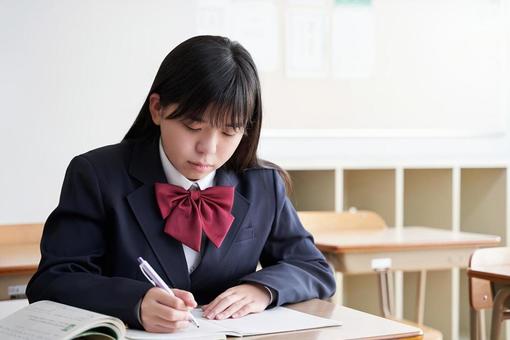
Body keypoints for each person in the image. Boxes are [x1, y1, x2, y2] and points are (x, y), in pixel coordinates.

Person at [26, 35, 336, 333]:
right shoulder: (96, 175)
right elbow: (54, 280)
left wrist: (262, 289)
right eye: (193, 127)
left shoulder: (262, 183)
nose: (209, 149)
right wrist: (134, 303)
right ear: (157, 109)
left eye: (229, 132)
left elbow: (313, 268)